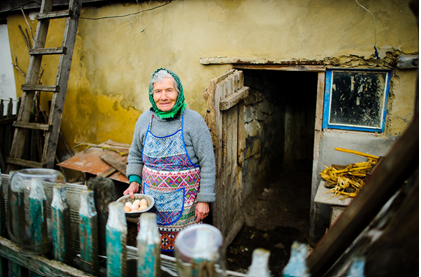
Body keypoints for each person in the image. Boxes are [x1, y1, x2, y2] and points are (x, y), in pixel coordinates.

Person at [123, 68, 216, 253]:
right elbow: (134, 154)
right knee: (151, 253)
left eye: (169, 90)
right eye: (158, 91)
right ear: (152, 95)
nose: (163, 97)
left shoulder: (193, 121)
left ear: (178, 92)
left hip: (186, 209)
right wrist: (134, 181)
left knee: (184, 255)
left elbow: (208, 162)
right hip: (150, 207)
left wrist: (204, 199)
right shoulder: (144, 120)